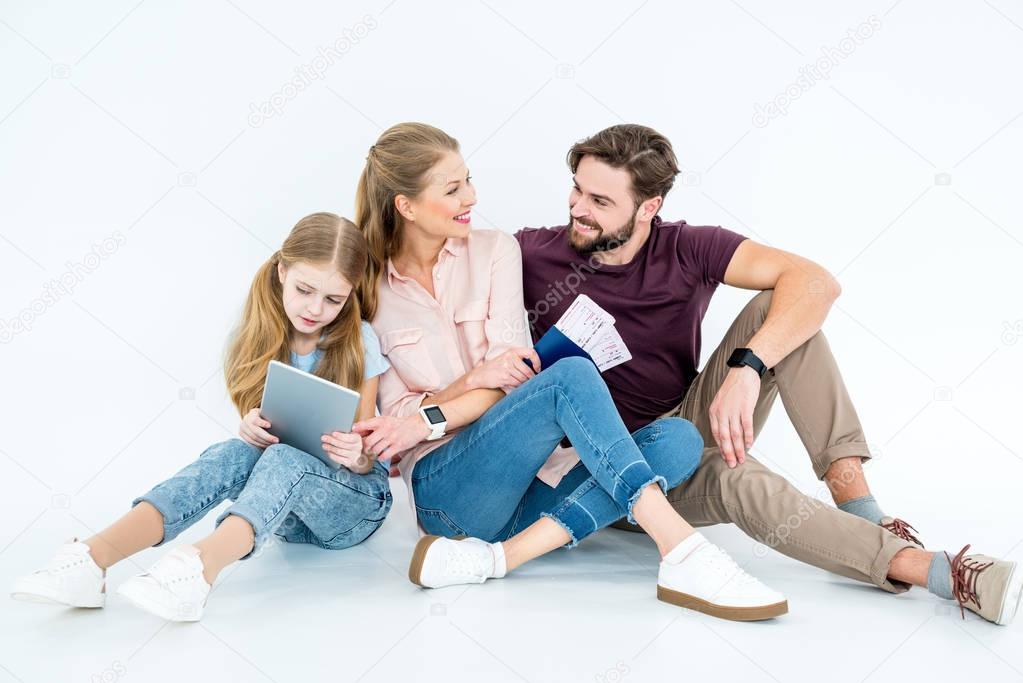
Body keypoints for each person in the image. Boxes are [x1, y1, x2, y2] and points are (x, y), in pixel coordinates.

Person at [514, 123, 1021, 625]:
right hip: (623, 469)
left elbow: (816, 283)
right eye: (578, 189)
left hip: (689, 418)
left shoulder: (688, 247)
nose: (578, 208)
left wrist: (748, 367)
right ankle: (936, 571)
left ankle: (861, 510)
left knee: (779, 312)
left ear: (650, 207)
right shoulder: (532, 255)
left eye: (601, 201)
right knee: (739, 479)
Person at [352, 122, 789, 622]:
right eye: (453, 189)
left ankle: (492, 560)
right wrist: (464, 388)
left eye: (468, 179)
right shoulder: (365, 289)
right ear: (405, 206)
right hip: (449, 493)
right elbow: (400, 423)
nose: (472, 195)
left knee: (679, 439)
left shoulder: (495, 250)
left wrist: (439, 407)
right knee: (572, 375)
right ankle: (684, 551)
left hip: (533, 486)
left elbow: (513, 378)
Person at [11, 213, 393, 622]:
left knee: (285, 461)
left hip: (354, 506)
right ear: (281, 271)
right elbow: (261, 445)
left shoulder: (359, 340)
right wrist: (250, 430)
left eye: (334, 299)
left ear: (350, 295)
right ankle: (92, 560)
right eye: (304, 290)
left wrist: (357, 453)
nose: (315, 309)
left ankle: (198, 569)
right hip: (279, 513)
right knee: (233, 451)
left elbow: (369, 456)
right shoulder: (255, 335)